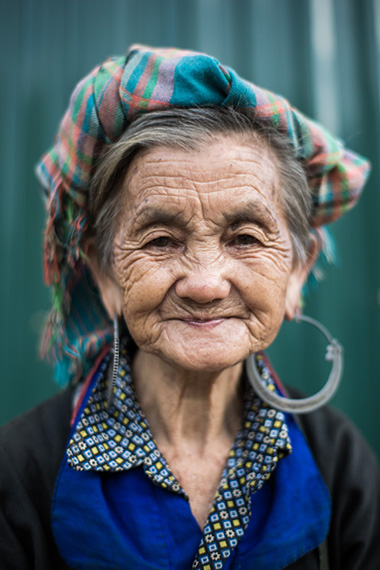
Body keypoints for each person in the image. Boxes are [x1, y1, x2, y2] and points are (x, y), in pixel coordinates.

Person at [0, 44, 379, 570]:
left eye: (245, 237)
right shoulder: (19, 470)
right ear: (106, 276)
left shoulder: (339, 458)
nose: (204, 284)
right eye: (160, 240)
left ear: (296, 271)